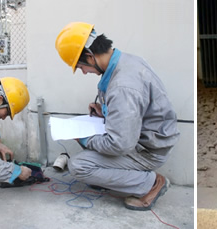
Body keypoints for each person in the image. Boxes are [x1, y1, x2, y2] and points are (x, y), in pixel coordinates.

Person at [54, 22, 180, 211]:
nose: (83, 72)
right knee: (91, 143)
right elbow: (132, 110)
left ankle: (151, 184)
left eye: (81, 67)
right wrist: (104, 110)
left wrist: (85, 138)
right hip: (147, 138)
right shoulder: (127, 61)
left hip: (148, 150)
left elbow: (120, 144)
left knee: (79, 166)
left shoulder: (123, 86)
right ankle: (118, 178)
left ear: (90, 56)